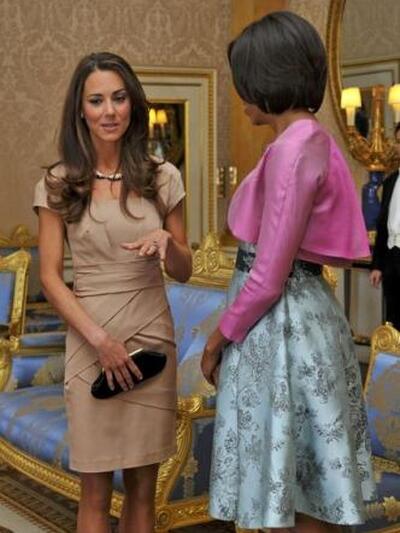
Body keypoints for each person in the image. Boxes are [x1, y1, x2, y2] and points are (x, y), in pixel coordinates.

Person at [201, 11, 376, 533]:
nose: (240, 92)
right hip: (303, 317)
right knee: (307, 484)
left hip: (283, 327)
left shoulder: (294, 148)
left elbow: (268, 274)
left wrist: (218, 337)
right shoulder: (309, 138)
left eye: (244, 78)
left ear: (267, 77)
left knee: (294, 492)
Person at [33, 52, 192, 533]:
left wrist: (167, 242)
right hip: (91, 342)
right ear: (80, 110)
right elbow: (50, 278)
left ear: (133, 104)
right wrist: (100, 340)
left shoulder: (163, 177)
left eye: (119, 98)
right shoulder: (59, 183)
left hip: (151, 340)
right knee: (95, 491)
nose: (109, 111)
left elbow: (184, 269)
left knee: (143, 488)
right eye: (97, 100)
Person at [370, 122, 400, 330]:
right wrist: (377, 265)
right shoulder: (390, 182)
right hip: (392, 261)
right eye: (398, 142)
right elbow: (383, 226)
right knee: (394, 323)